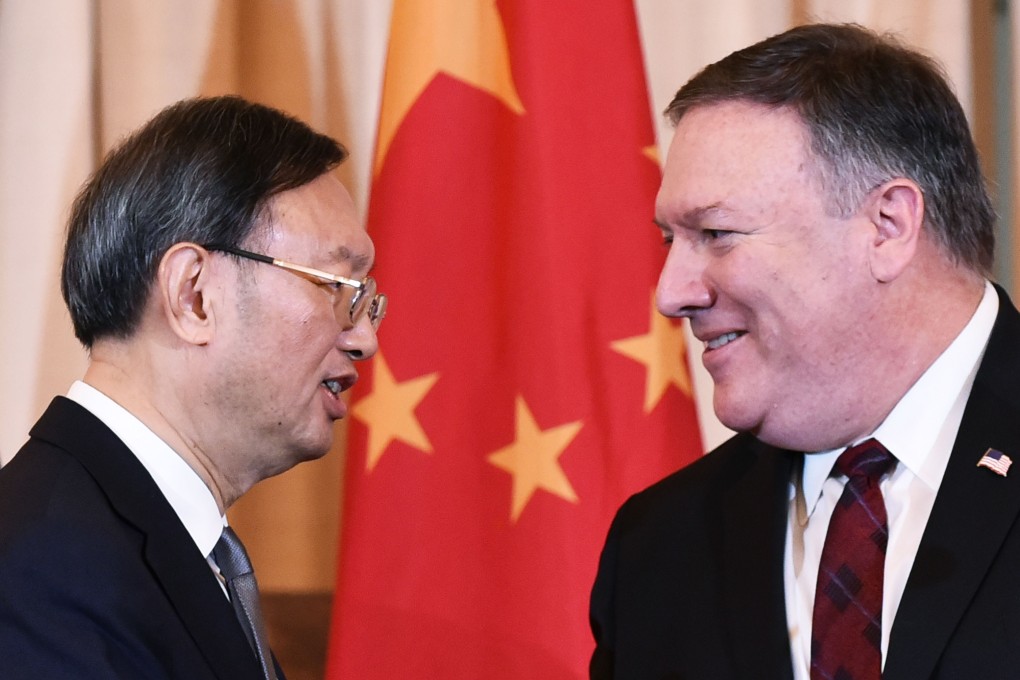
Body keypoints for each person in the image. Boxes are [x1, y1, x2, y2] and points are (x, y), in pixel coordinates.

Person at [590, 23, 1019, 680]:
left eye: (716, 233)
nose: (671, 295)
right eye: (669, 241)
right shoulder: (658, 548)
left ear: (887, 226)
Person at [0, 96, 384, 679]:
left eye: (367, 300)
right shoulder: (41, 571)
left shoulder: (167, 546)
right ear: (194, 295)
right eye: (338, 287)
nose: (364, 340)